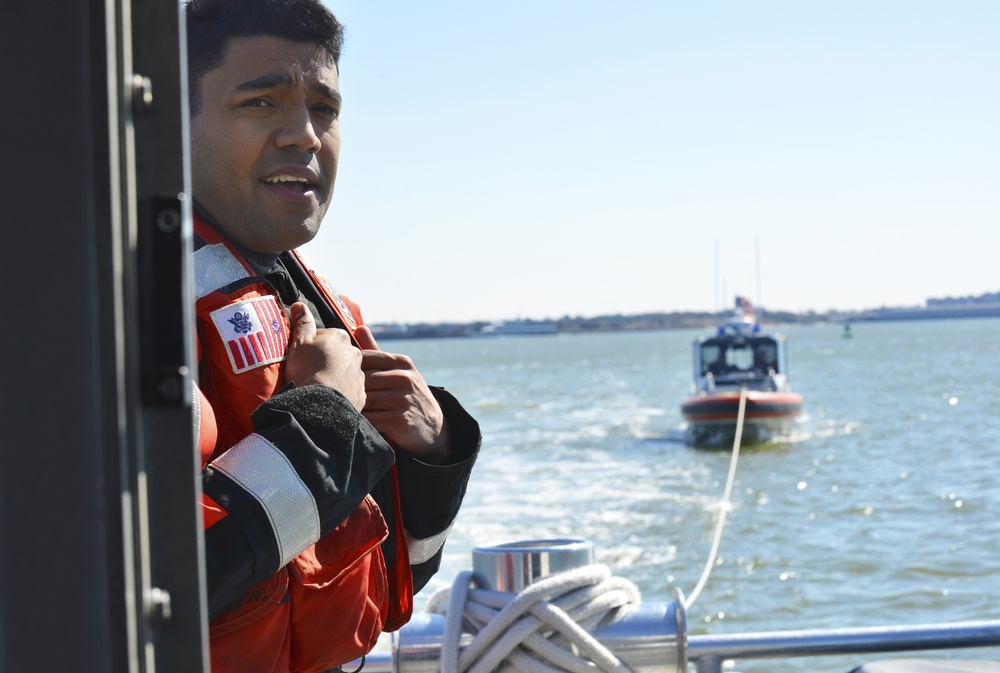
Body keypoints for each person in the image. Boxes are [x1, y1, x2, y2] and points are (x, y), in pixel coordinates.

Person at [184, 1, 481, 671]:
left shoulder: (321, 307)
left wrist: (428, 457)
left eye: (325, 108)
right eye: (261, 102)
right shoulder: (120, 301)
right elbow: (153, 583)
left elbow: (385, 587)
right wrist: (325, 425)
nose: (305, 135)